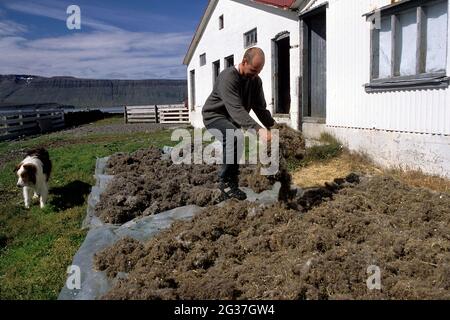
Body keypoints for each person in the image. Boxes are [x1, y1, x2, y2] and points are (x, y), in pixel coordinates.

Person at [202, 47, 275, 200]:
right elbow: (236, 109)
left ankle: (232, 182)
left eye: (259, 71)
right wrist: (258, 130)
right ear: (244, 62)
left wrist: (273, 127)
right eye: (254, 70)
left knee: (236, 141)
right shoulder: (228, 77)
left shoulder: (255, 81)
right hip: (214, 116)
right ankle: (224, 182)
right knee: (235, 137)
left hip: (231, 119)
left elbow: (260, 108)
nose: (256, 75)